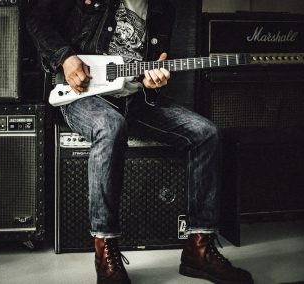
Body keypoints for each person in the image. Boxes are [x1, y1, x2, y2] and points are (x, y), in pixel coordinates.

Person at [27, 0, 253, 283]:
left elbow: (153, 67)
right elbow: (37, 20)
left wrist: (152, 81)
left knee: (206, 133)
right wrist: (66, 57)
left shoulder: (163, 8)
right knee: (110, 126)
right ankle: (105, 248)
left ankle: (199, 248)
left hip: (136, 100)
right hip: (82, 96)